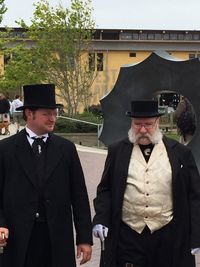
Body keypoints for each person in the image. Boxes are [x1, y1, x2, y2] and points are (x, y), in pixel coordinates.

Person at [93, 99, 200, 267]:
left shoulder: (180, 153)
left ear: (157, 122)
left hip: (168, 234)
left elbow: (194, 196)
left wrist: (196, 235)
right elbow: (105, 190)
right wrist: (101, 219)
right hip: (128, 234)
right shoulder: (117, 151)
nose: (142, 130)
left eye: (148, 124)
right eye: (137, 124)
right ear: (131, 123)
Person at [0, 84, 92, 267]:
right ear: (29, 114)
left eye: (55, 113)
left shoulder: (66, 149)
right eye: (47, 114)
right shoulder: (6, 149)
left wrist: (84, 238)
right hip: (19, 238)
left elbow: (79, 196)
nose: (53, 118)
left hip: (56, 239)